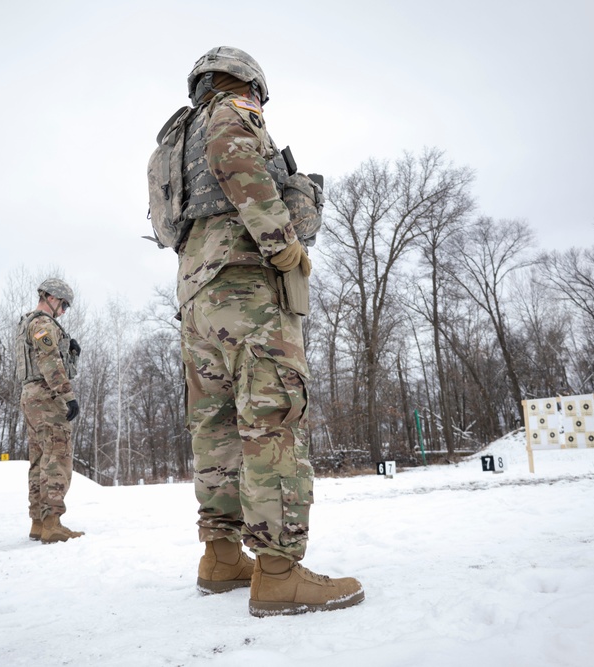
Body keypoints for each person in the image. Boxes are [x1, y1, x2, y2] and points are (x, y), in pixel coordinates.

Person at [174, 46, 364, 615]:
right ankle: (279, 573)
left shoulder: (176, 140)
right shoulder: (232, 110)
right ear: (248, 83)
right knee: (272, 420)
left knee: (216, 429)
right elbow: (238, 161)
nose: (258, 102)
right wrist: (286, 249)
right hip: (247, 289)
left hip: (197, 294)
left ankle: (222, 558)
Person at [16, 278, 83, 543]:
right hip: (47, 395)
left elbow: (59, 363)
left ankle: (39, 522)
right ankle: (52, 523)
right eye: (64, 304)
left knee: (39, 459)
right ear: (52, 298)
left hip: (32, 396)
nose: (64, 311)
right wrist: (68, 396)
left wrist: (73, 354)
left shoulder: (27, 324)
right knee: (58, 456)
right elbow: (50, 362)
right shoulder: (42, 323)